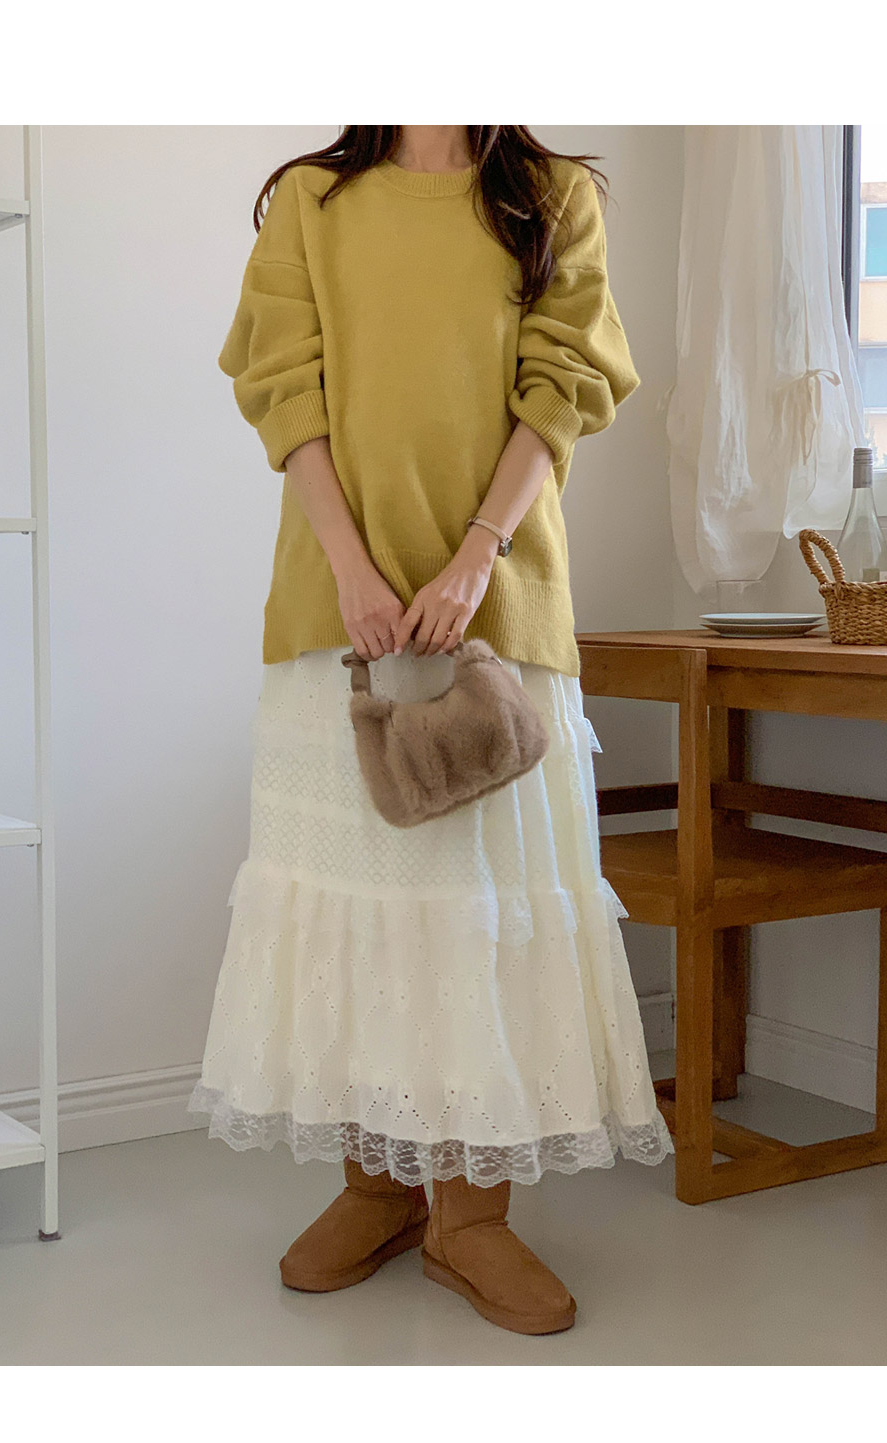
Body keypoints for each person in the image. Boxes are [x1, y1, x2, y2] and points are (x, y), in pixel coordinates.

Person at [189, 125, 673, 1336]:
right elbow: (283, 388)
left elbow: (564, 386)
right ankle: (378, 1187)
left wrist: (474, 560)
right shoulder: (311, 200)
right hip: (337, 612)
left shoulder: (554, 197)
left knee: (478, 917)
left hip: (497, 610)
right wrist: (351, 568)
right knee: (356, 911)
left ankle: (472, 1218)